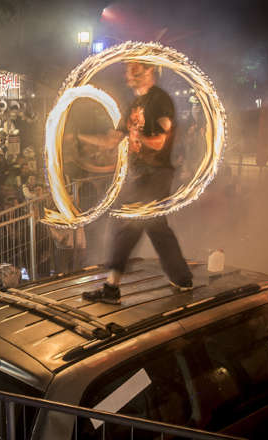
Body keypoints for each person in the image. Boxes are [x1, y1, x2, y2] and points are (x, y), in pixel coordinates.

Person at [79, 62, 193, 303]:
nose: (128, 75)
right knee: (157, 228)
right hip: (140, 174)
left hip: (156, 174)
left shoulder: (159, 101)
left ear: (150, 71)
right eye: (127, 70)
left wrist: (136, 136)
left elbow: (160, 142)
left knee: (128, 222)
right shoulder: (135, 105)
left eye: (135, 69)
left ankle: (112, 288)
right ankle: (182, 279)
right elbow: (113, 139)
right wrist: (79, 138)